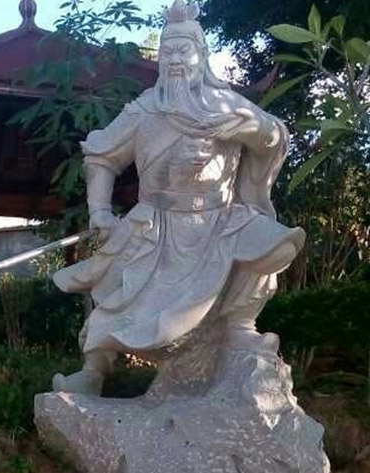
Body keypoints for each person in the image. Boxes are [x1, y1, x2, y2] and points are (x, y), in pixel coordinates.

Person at [52, 0, 305, 397]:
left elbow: (275, 137)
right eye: (166, 51)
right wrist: (99, 210)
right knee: (118, 295)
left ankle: (240, 328)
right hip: (158, 222)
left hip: (219, 219)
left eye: (182, 50)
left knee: (275, 244)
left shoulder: (227, 104)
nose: (173, 59)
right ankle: (94, 370)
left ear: (202, 55)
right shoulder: (144, 110)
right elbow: (102, 156)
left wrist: (250, 129)